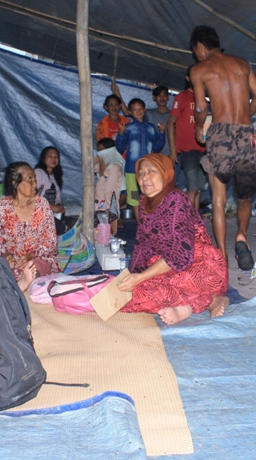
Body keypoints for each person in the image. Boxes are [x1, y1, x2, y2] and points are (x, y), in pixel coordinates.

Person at [119, 153, 229, 325]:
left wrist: (140, 278)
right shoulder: (145, 202)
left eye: (151, 171)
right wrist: (134, 274)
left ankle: (203, 301)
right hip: (168, 264)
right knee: (130, 292)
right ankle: (203, 302)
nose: (144, 177)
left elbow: (180, 255)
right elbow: (142, 244)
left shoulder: (176, 200)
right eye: (141, 173)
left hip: (199, 266)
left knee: (143, 293)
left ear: (166, 174)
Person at [190, 25, 256, 270]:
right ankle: (241, 234)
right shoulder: (242, 64)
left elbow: (201, 107)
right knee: (245, 195)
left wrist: (199, 129)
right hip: (245, 132)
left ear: (200, 47)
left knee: (218, 199)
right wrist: (245, 121)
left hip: (219, 133)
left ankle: (220, 257)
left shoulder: (199, 69)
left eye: (195, 51)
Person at [0, 161, 60, 291]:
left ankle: (29, 279)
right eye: (30, 180)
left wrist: (30, 256)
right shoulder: (1, 207)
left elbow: (50, 243)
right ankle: (22, 282)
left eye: (34, 179)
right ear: (15, 183)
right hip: (13, 261)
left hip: (38, 258)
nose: (35, 184)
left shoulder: (42, 205)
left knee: (35, 266)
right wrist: (6, 255)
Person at [115, 98, 165, 222]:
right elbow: (120, 148)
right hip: (132, 169)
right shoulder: (127, 127)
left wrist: (162, 133)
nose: (138, 112)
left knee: (149, 195)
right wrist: (120, 134)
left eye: (140, 109)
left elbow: (157, 147)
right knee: (135, 197)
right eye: (135, 110)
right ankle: (140, 225)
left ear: (145, 110)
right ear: (130, 112)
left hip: (148, 169)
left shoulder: (151, 127)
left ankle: (150, 222)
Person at [168, 66, 207, 212]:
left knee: (198, 190)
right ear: (188, 78)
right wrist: (173, 149)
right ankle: (189, 222)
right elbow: (171, 122)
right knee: (192, 189)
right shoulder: (182, 97)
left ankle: (195, 221)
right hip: (187, 148)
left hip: (203, 149)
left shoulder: (204, 101)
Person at [34, 146, 68, 234]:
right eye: (50, 156)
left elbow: (57, 198)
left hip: (50, 213)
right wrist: (52, 207)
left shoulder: (56, 175)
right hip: (37, 212)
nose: (53, 159)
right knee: (60, 228)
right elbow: (32, 197)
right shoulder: (38, 172)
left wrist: (59, 206)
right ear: (43, 158)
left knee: (70, 223)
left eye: (56, 156)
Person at [94, 137, 125, 234]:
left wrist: (102, 173)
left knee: (109, 232)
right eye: (98, 151)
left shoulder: (115, 167)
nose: (99, 154)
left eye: (102, 151)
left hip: (109, 204)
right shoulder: (105, 164)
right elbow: (92, 168)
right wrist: (97, 162)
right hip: (101, 201)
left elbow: (108, 190)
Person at [146, 85, 172, 157]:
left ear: (168, 97)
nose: (162, 98)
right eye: (159, 96)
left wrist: (174, 152)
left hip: (170, 154)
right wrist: (117, 93)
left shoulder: (173, 116)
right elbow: (129, 112)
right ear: (154, 98)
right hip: (153, 154)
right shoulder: (148, 113)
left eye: (164, 95)